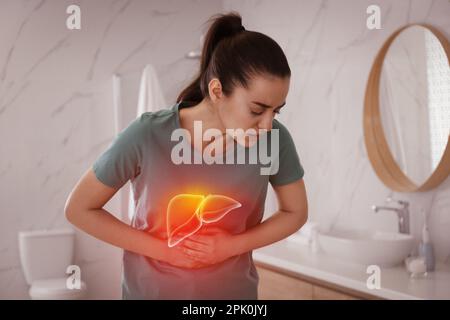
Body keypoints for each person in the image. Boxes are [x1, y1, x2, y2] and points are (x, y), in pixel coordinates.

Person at [64, 11, 308, 300]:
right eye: (257, 110)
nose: (268, 125)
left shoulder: (274, 141)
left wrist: (230, 245)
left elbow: (296, 212)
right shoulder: (147, 134)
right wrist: (164, 251)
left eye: (276, 111)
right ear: (217, 90)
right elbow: (79, 208)